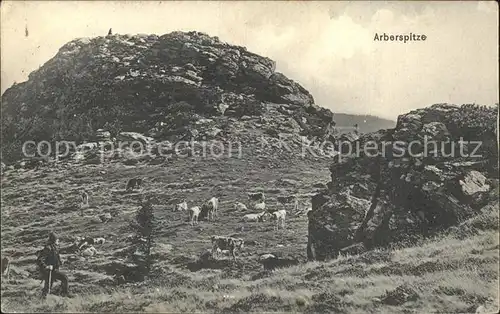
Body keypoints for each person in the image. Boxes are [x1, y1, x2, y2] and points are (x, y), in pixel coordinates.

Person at [37, 232, 70, 298]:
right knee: (65, 278)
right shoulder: (48, 248)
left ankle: (42, 299)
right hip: (49, 271)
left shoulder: (54, 247)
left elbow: (54, 258)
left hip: (53, 270)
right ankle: (64, 294)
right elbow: (40, 260)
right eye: (57, 239)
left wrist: (60, 262)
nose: (58, 241)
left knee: (48, 287)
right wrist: (46, 266)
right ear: (54, 240)